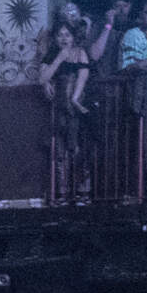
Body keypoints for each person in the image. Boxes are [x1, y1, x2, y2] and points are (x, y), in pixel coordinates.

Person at [40, 19, 92, 205]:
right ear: (55, 38)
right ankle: (62, 193)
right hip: (58, 106)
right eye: (60, 35)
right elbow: (43, 77)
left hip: (76, 105)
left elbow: (83, 76)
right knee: (60, 150)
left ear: (73, 37)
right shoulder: (52, 54)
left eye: (67, 35)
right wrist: (59, 59)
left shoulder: (80, 53)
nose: (64, 38)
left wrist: (75, 99)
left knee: (77, 148)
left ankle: (82, 191)